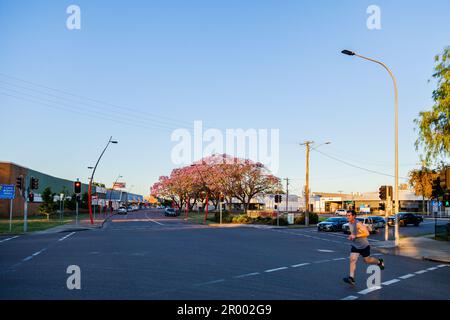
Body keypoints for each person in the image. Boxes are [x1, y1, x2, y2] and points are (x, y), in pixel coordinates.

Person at [343, 210, 385, 285]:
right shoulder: (350, 223)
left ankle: (379, 262)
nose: (347, 217)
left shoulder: (358, 223)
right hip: (355, 245)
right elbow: (354, 233)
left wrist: (355, 236)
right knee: (352, 259)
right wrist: (352, 236)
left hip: (364, 246)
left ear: (354, 216)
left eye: (349, 215)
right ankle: (351, 278)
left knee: (367, 260)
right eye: (347, 215)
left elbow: (367, 233)